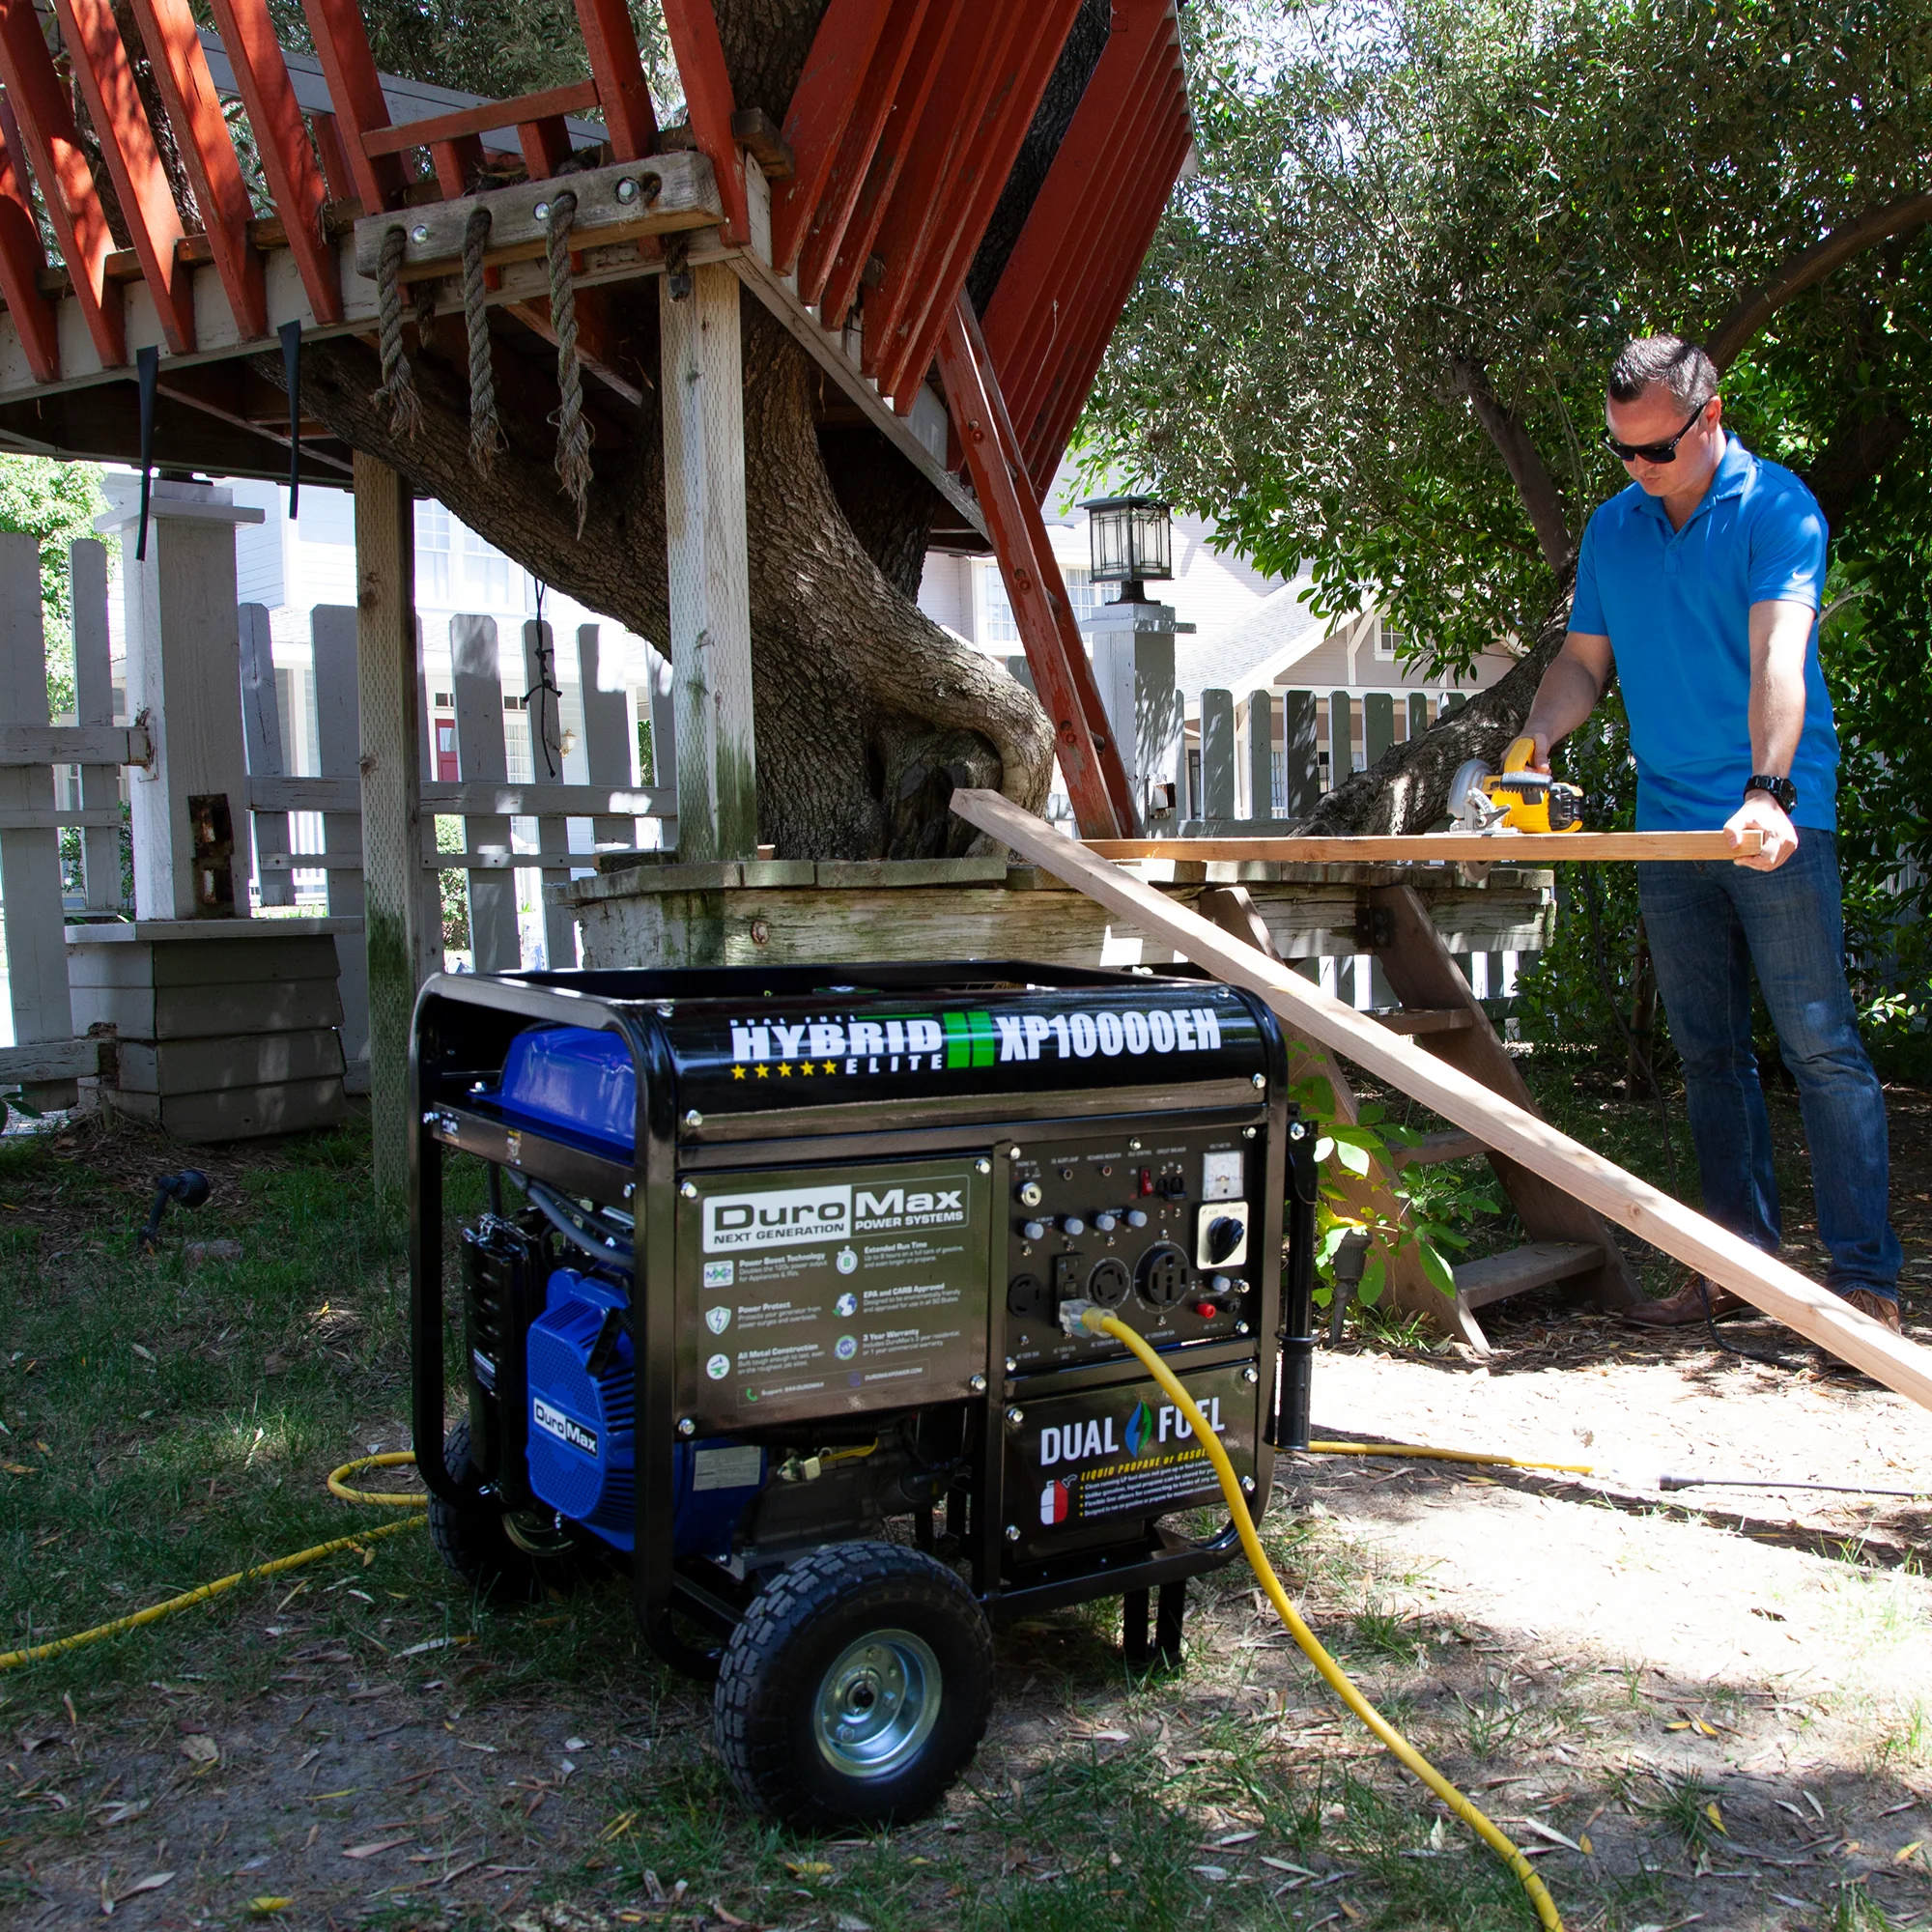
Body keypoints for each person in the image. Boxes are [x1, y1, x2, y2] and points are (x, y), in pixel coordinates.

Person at [1520, 333, 1903, 1335]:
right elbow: (1580, 664)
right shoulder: (1613, 529)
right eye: (1621, 454)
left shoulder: (1776, 507)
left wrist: (1767, 789)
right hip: (1668, 826)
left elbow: (1779, 654)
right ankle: (1734, 1269)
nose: (1638, 473)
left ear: (1710, 416)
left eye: (1656, 452)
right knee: (1709, 1053)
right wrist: (1535, 732)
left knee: (1818, 1046)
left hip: (1771, 816)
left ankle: (1863, 1285)